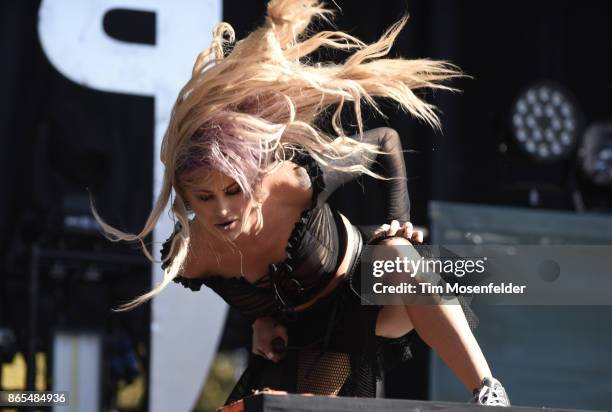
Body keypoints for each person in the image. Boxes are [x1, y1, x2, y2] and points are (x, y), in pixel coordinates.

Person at [94, 0, 510, 407]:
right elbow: (253, 304)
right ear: (186, 200)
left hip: (371, 294)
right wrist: (259, 323)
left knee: (397, 255)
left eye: (233, 191)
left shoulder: (291, 183)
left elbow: (386, 141)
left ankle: (489, 391)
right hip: (311, 338)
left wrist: (398, 220)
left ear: (255, 183)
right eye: (204, 198)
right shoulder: (193, 256)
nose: (222, 209)